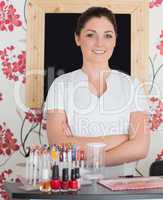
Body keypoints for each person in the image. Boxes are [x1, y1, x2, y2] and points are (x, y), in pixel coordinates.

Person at [45, 7, 150, 177]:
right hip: (74, 185)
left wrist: (78, 144)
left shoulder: (132, 86)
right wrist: (121, 140)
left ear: (115, 40)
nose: (100, 43)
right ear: (77, 38)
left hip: (123, 185)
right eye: (91, 35)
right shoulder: (60, 85)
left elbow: (140, 147)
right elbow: (58, 145)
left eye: (108, 35)